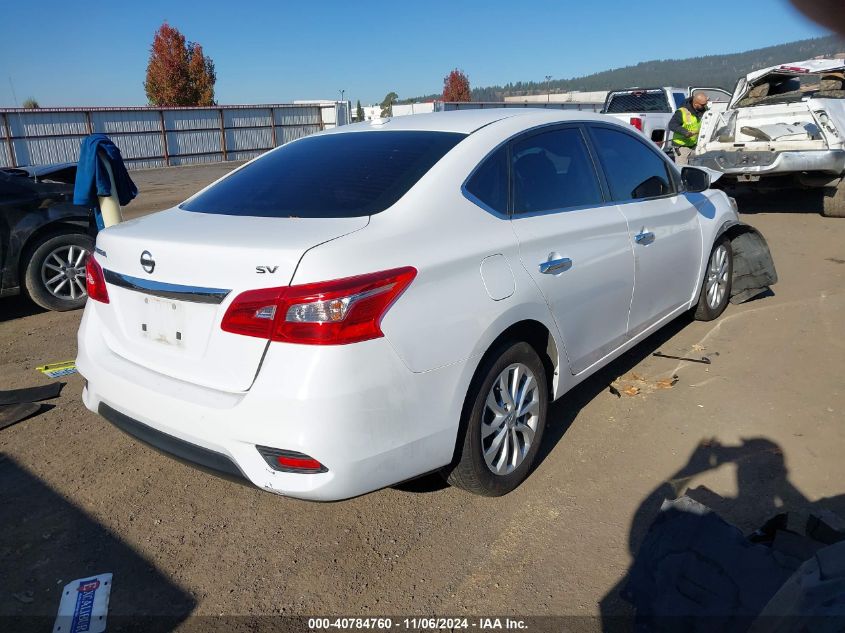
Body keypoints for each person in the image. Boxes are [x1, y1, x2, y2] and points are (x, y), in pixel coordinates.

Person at [668, 92, 708, 165]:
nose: (705, 106)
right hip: (681, 146)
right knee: (682, 168)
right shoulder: (682, 112)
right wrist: (685, 132)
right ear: (696, 104)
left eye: (705, 104)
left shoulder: (705, 111)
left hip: (695, 145)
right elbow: (672, 125)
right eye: (703, 105)